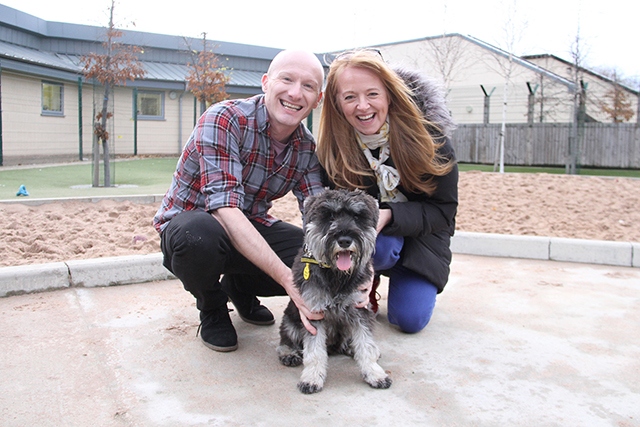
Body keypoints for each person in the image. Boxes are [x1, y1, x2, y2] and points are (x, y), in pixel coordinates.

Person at [153, 50, 326, 352]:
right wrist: (288, 280)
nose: (295, 93)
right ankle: (212, 306)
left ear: (318, 98)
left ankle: (239, 285)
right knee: (199, 237)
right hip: (196, 226)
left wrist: (340, 272)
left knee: (312, 261)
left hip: (252, 226)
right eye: (286, 79)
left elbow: (317, 218)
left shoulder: (307, 148)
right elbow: (224, 209)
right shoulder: (224, 118)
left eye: (308, 86)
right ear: (265, 82)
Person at [317, 49, 458, 334]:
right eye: (349, 97)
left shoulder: (429, 138)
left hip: (423, 236)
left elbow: (444, 211)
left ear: (389, 94)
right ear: (336, 103)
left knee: (410, 321)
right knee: (380, 248)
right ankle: (367, 282)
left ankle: (398, 279)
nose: (362, 106)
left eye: (372, 94)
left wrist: (389, 215)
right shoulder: (333, 150)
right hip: (374, 242)